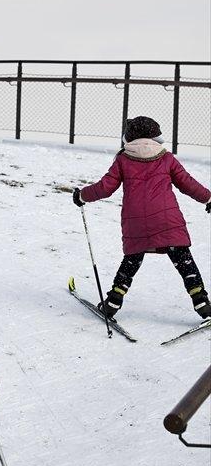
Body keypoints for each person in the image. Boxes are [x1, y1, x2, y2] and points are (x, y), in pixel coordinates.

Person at [73, 115, 211, 320]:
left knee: (132, 260)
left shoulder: (123, 160)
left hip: (135, 222)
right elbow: (187, 183)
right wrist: (208, 198)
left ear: (128, 138)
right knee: (183, 259)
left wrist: (82, 195)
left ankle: (113, 302)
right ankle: (202, 303)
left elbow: (105, 187)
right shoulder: (167, 158)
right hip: (167, 220)